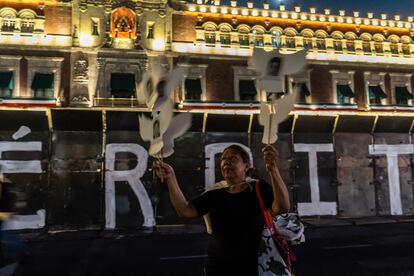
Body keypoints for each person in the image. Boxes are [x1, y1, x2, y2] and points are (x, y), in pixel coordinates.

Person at [153, 144, 290, 276]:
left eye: (233, 159)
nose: (227, 162)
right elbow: (185, 210)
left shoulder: (258, 188)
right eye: (224, 158)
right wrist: (170, 177)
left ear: (246, 166)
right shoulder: (215, 193)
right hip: (218, 266)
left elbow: (282, 207)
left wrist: (273, 169)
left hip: (252, 266)